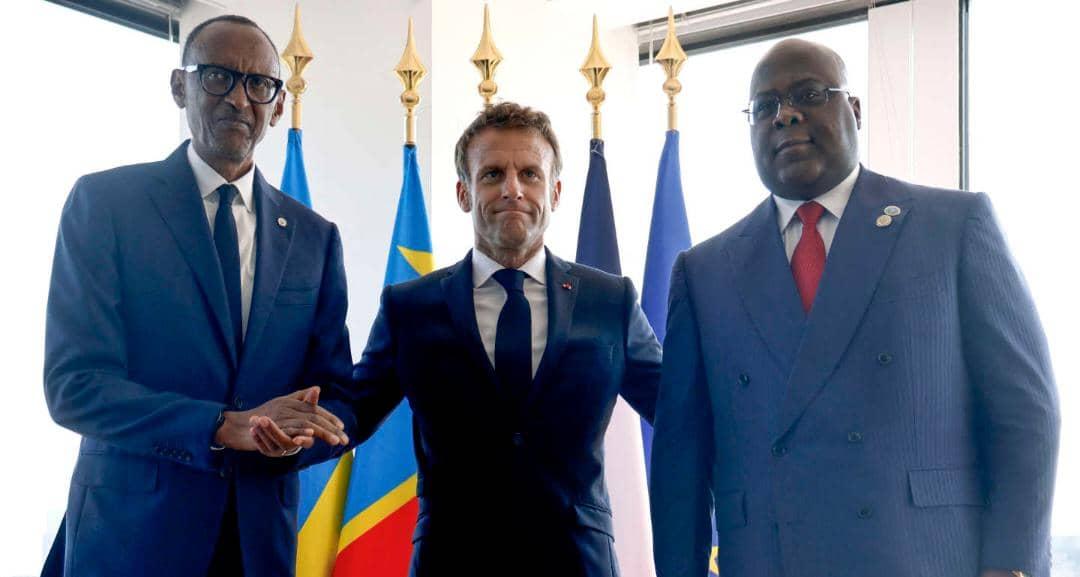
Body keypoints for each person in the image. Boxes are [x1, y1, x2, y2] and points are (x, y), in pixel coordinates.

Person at [650, 38, 1059, 577]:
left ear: (855, 110)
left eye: (809, 94)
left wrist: (1011, 566)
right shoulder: (704, 272)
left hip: (924, 559)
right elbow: (680, 462)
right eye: (765, 106)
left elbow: (1026, 412)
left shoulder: (952, 226)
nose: (785, 115)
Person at [44, 15, 354, 577]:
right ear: (178, 86)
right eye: (217, 76)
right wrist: (218, 425)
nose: (239, 98)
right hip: (131, 539)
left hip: (257, 543)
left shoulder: (316, 238)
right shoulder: (106, 204)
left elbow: (334, 395)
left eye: (259, 84)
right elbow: (75, 385)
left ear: (277, 108)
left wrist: (296, 436)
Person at [333, 102, 660, 576]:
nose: (513, 189)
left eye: (530, 174)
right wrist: (283, 428)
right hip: (453, 561)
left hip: (577, 563)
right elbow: (351, 412)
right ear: (464, 193)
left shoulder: (610, 301)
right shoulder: (410, 308)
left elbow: (676, 408)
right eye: (492, 175)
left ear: (555, 192)